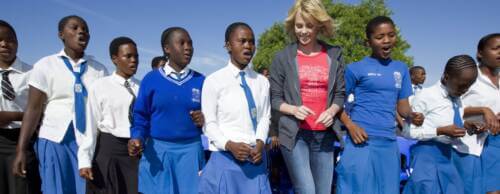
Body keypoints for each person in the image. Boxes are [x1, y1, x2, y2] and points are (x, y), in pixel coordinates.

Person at [12, 15, 108, 194]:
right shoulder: (45, 65)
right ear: (61, 34)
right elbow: (33, 109)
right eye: (75, 28)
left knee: (87, 188)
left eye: (85, 29)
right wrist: (21, 150)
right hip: (56, 139)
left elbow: (104, 108)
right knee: (57, 188)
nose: (81, 32)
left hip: (89, 140)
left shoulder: (99, 69)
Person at [336, 16, 423, 194]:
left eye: (391, 35)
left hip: (389, 143)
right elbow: (335, 102)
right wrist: (350, 126)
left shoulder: (401, 69)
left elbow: (403, 107)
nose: (386, 40)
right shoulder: (355, 69)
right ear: (368, 42)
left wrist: (411, 115)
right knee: (355, 189)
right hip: (361, 142)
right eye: (380, 37)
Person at [269, 0, 345, 193]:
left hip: (324, 135)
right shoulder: (282, 57)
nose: (303, 31)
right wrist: (294, 109)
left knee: (323, 191)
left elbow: (339, 94)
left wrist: (332, 110)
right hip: (295, 136)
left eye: (309, 26)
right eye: (299, 25)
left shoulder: (334, 54)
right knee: (306, 190)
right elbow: (275, 99)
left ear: (319, 25)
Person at [128, 27, 205, 194]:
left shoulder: (202, 81)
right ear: (167, 48)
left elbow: (213, 118)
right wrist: (137, 137)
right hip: (158, 151)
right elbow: (141, 116)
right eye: (182, 43)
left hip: (191, 151)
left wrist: (204, 120)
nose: (188, 47)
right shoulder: (151, 79)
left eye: (190, 43)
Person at [199, 22, 271, 194]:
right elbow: (209, 123)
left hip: (256, 161)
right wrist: (230, 145)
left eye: (252, 42)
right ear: (228, 45)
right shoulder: (214, 81)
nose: (248, 46)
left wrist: (260, 144)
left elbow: (264, 117)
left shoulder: (262, 82)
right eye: (242, 41)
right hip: (225, 161)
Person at [403, 55, 479, 194]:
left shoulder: (456, 98)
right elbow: (408, 132)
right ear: (446, 77)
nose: (465, 90)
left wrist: (467, 126)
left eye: (468, 86)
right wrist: (439, 131)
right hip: (426, 157)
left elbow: (452, 123)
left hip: (447, 156)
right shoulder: (426, 96)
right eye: (462, 85)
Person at [78, 37, 140, 194]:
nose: (134, 61)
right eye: (128, 56)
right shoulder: (100, 87)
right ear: (114, 59)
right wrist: (85, 160)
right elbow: (91, 127)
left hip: (136, 154)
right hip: (108, 151)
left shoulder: (142, 88)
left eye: (136, 56)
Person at [0, 19, 41, 194]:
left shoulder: (33, 73)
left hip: (23, 140)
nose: (4, 44)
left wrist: (12, 116)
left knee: (23, 187)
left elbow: (42, 111)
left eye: (10, 39)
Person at [461, 33, 500, 194]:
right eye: (496, 48)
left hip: (496, 143)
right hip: (474, 144)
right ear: (480, 53)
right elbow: (449, 107)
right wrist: (483, 110)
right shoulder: (468, 77)